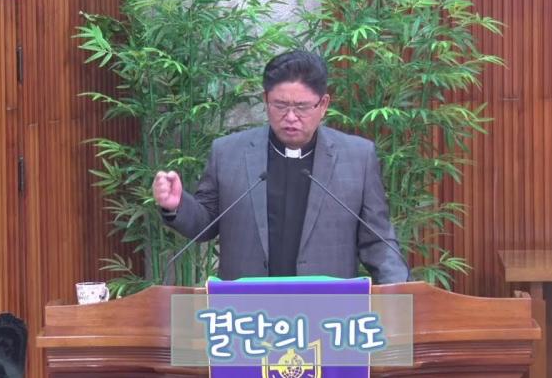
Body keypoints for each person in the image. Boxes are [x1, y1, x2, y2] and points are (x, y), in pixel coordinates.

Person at [152, 50, 409, 284]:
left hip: (327, 309)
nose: (291, 117)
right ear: (266, 99)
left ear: (323, 105)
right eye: (280, 106)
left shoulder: (357, 157)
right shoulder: (229, 152)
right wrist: (177, 205)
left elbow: (378, 242)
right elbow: (206, 223)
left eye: (302, 107)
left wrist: (400, 294)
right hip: (248, 310)